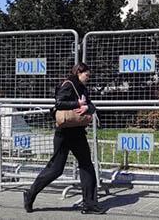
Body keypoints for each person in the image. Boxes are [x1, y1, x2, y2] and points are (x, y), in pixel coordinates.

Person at [23, 63, 104, 215]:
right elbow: (58, 103)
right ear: (79, 72)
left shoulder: (82, 87)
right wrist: (77, 103)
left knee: (86, 165)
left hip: (78, 132)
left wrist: (88, 108)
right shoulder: (68, 84)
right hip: (64, 133)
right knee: (56, 169)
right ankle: (30, 194)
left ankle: (90, 204)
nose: (88, 78)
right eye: (87, 75)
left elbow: (91, 105)